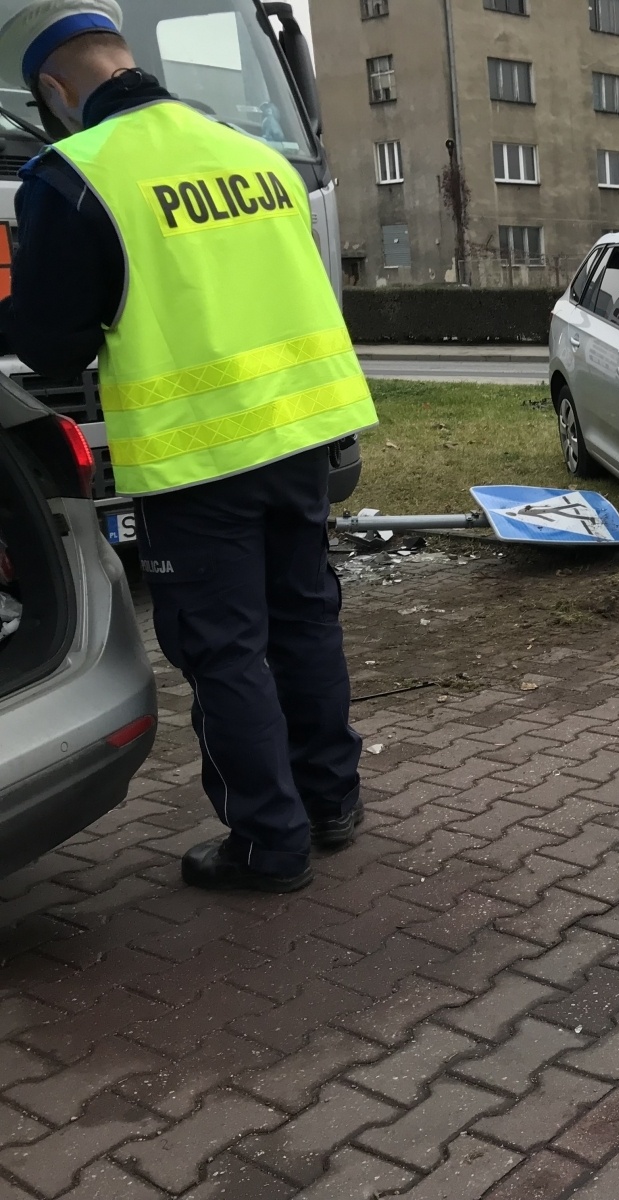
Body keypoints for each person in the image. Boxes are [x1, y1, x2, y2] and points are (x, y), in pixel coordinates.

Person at [0, 1, 379, 892]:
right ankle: (332, 801)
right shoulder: (254, 158)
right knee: (305, 626)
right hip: (301, 437)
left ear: (54, 89)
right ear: (128, 58)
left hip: (198, 460)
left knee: (224, 652)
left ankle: (268, 843)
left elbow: (53, 343)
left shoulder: (74, 175)